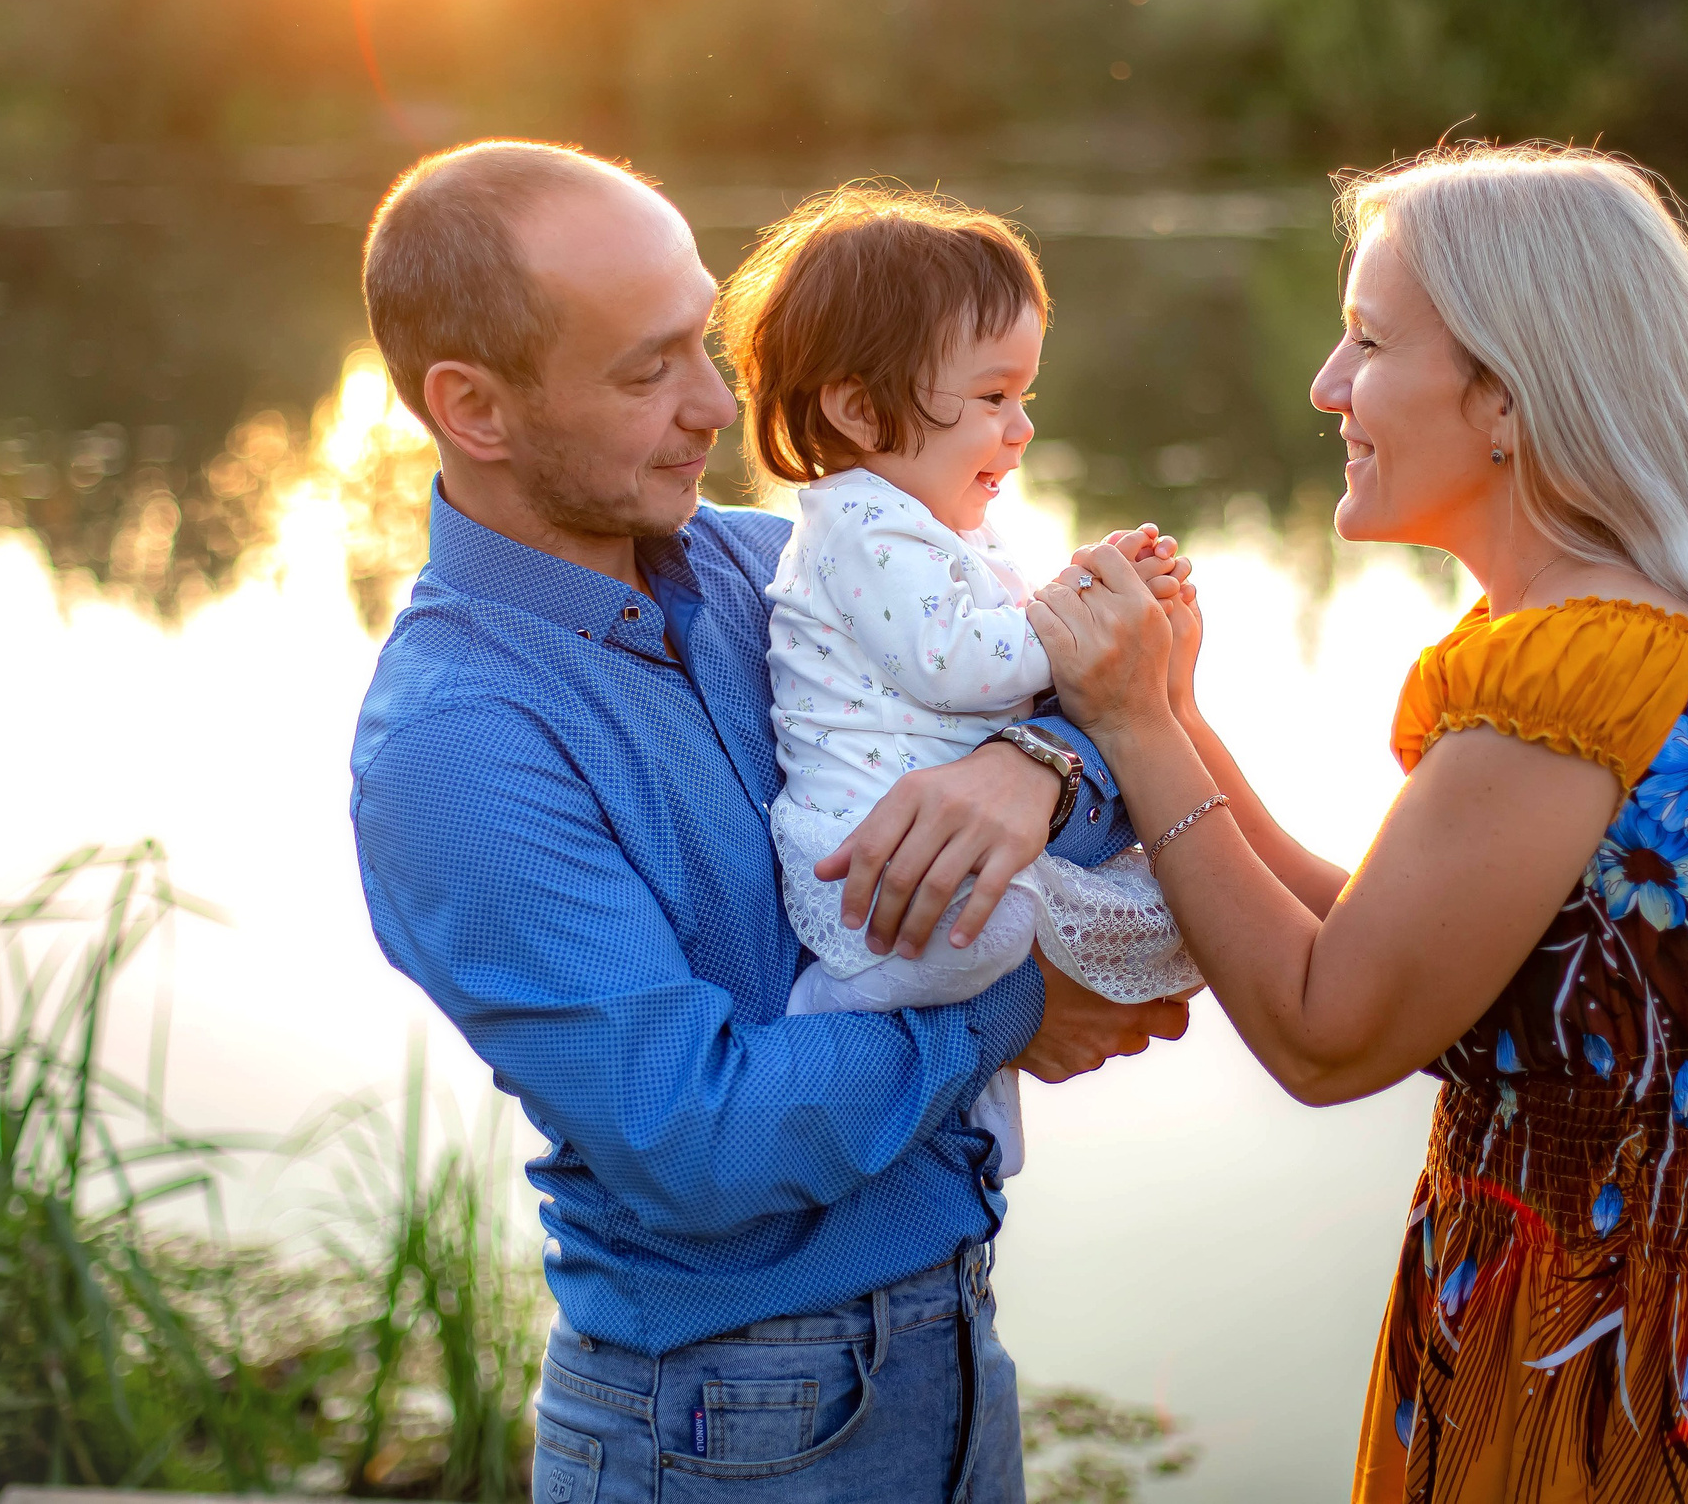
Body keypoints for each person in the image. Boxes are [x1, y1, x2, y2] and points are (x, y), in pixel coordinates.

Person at [953, 144, 1688, 1500]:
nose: (1328, 386)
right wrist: (1178, 712)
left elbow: (1332, 1033)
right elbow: (1409, 953)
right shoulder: (1650, 639)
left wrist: (1138, 731)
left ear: (1505, 397)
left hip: (1593, 1377)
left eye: (1369, 342)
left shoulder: (1571, 670)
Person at [346, 140, 1192, 1504]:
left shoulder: (771, 562)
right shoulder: (456, 746)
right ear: (475, 408)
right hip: (733, 1420)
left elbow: (1087, 703)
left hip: (951, 1335)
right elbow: (699, 1140)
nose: (716, 400)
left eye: (701, 340)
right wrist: (1014, 1006)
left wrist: (1034, 763)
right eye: (648, 369)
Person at [718, 184, 1203, 1179]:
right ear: (857, 408)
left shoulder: (940, 526)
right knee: (995, 939)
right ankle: (824, 1019)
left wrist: (1086, 592)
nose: (1020, 429)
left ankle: (966, 1107)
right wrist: (1085, 620)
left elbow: (995, 641)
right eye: (991, 399)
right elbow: (960, 665)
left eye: (1024, 395)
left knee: (1175, 896)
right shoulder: (854, 519)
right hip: (874, 857)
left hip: (933, 846)